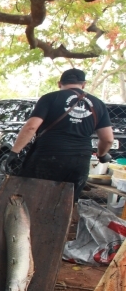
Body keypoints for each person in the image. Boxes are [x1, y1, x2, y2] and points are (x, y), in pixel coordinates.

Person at [8, 68, 114, 201]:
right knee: (66, 202)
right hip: (79, 160)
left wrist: (14, 152)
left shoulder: (50, 98)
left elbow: (31, 127)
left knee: (34, 199)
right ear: (84, 84)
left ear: (59, 83)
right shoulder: (98, 104)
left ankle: (34, 221)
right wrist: (102, 154)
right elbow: (108, 139)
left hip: (47, 156)